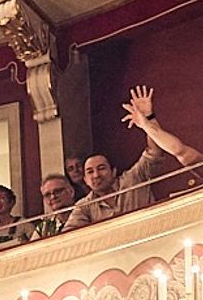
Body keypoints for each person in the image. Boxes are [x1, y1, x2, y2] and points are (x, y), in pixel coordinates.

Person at [64, 86, 200, 230]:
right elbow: (66, 237)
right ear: (84, 179)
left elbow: (167, 150)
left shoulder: (134, 178)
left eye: (101, 168)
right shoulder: (84, 206)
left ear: (114, 171)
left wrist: (148, 119)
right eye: (90, 172)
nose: (96, 175)